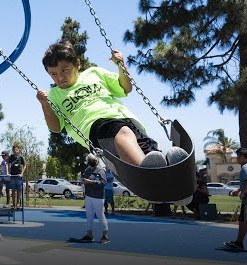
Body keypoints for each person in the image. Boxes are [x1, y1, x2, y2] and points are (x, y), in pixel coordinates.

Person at [36, 39, 188, 169]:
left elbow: (126, 88)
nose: (60, 77)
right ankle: (148, 174)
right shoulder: (54, 95)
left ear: (77, 64)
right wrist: (45, 104)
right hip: (96, 128)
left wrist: (122, 66)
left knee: (150, 152)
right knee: (123, 134)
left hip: (126, 119)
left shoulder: (94, 73)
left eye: (65, 70)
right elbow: (56, 128)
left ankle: (170, 175)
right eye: (53, 74)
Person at [80, 154, 110, 243]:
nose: (90, 164)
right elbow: (84, 178)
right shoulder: (87, 169)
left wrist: (90, 182)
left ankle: (105, 236)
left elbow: (103, 183)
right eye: (89, 162)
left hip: (98, 197)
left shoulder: (101, 170)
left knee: (100, 215)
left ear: (96, 161)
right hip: (88, 195)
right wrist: (83, 181)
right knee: (89, 216)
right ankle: (89, 234)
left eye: (91, 162)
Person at [7, 144, 26, 209]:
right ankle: (14, 204)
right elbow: (7, 164)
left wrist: (22, 173)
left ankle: (18, 203)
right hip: (12, 175)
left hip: (19, 176)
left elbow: (25, 165)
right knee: (13, 190)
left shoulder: (21, 157)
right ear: (12, 150)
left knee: (19, 190)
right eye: (14, 149)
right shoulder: (11, 157)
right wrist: (8, 172)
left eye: (16, 149)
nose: (15, 151)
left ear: (18, 150)